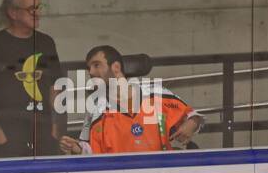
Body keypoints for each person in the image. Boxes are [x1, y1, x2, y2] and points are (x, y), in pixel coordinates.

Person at [59, 45, 204, 155]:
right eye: (88, 68)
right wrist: (77, 148)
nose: (90, 72)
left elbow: (193, 116)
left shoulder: (156, 94)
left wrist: (192, 123)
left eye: (96, 65)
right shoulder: (95, 107)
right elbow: (91, 150)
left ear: (116, 67)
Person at [0, 0, 63, 158]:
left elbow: (56, 89)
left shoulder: (46, 43)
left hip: (44, 137)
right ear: (13, 12)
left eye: (39, 7)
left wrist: (54, 131)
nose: (38, 13)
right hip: (9, 139)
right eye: (32, 9)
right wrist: (0, 138)